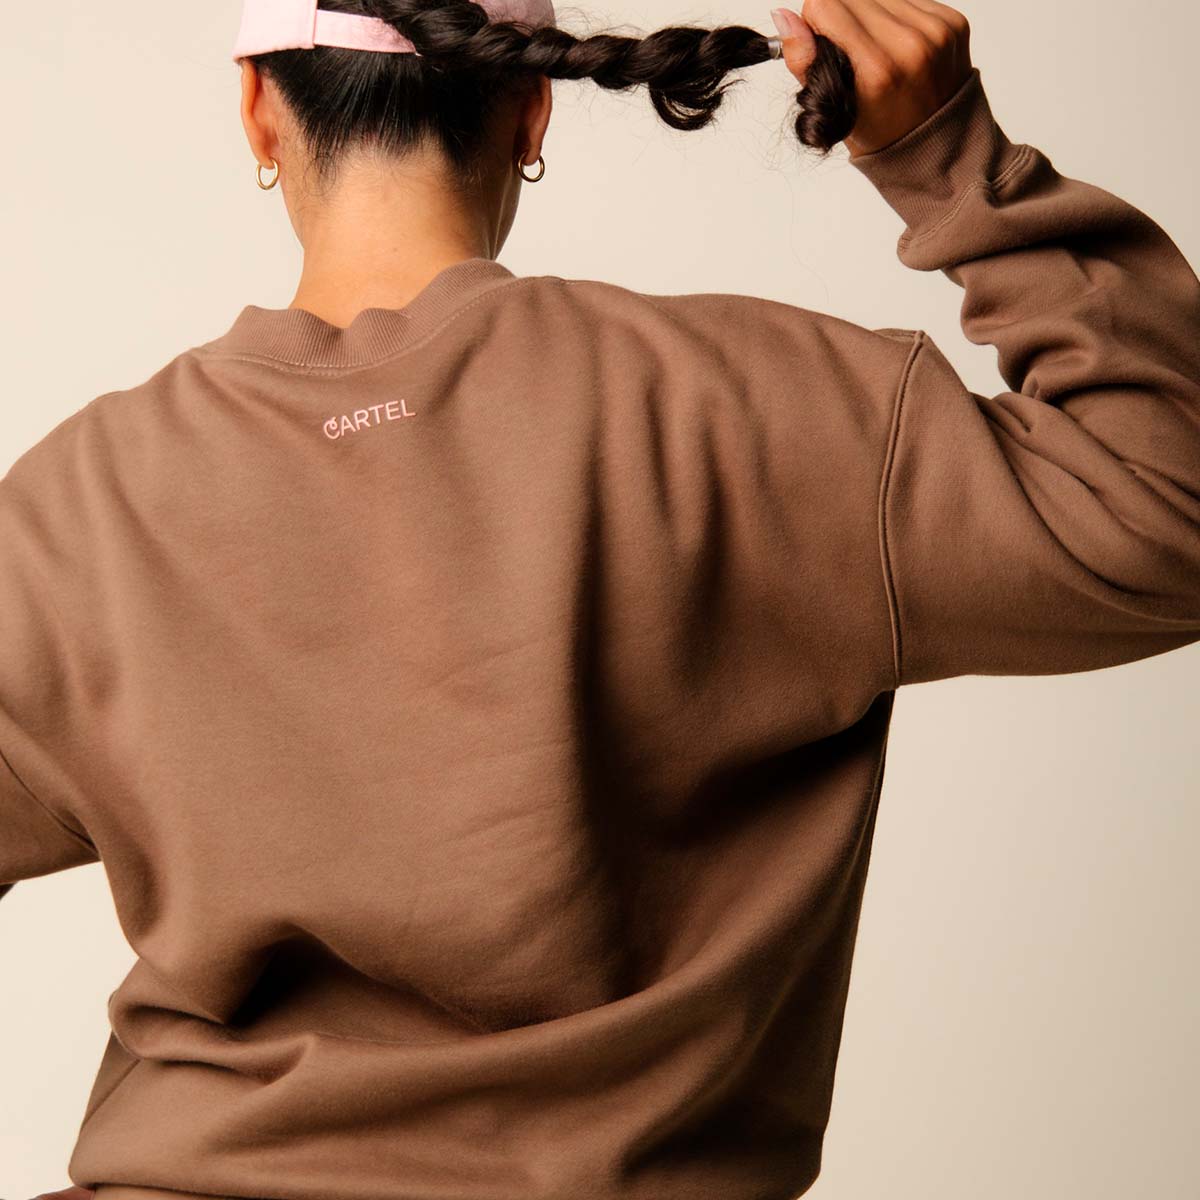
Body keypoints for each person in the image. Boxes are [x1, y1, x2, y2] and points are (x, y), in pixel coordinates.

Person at [9, 1, 1198, 1198]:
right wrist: (950, 159)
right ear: (532, 110)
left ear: (259, 111)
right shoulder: (746, 409)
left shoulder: (78, 508)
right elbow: (1164, 506)